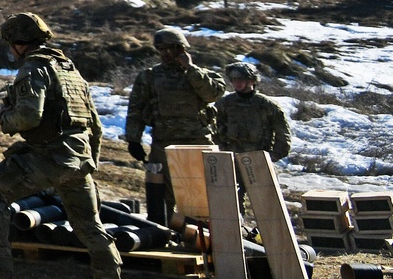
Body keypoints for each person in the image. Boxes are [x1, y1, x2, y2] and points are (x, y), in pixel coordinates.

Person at [0, 13, 127, 279]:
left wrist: (6, 117)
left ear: (19, 44)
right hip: (78, 160)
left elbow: (28, 116)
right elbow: (96, 125)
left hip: (45, 157)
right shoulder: (70, 70)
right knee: (93, 231)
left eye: (10, 45)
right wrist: (89, 162)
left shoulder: (33, 68)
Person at [124, 27, 226, 226]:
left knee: (200, 193)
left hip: (198, 142)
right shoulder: (149, 76)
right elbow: (135, 109)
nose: (165, 53)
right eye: (161, 49)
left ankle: (202, 235)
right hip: (164, 142)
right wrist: (133, 139)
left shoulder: (203, 75)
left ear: (182, 49)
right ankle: (163, 232)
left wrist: (191, 69)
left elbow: (211, 95)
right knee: (161, 194)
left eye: (170, 48)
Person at [214, 61, 292, 209]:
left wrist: (271, 157)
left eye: (241, 79)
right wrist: (222, 151)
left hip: (258, 160)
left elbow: (283, 135)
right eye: (234, 80)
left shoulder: (267, 105)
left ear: (251, 81)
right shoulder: (224, 104)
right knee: (231, 206)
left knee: (267, 207)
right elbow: (214, 129)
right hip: (232, 160)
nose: (237, 83)